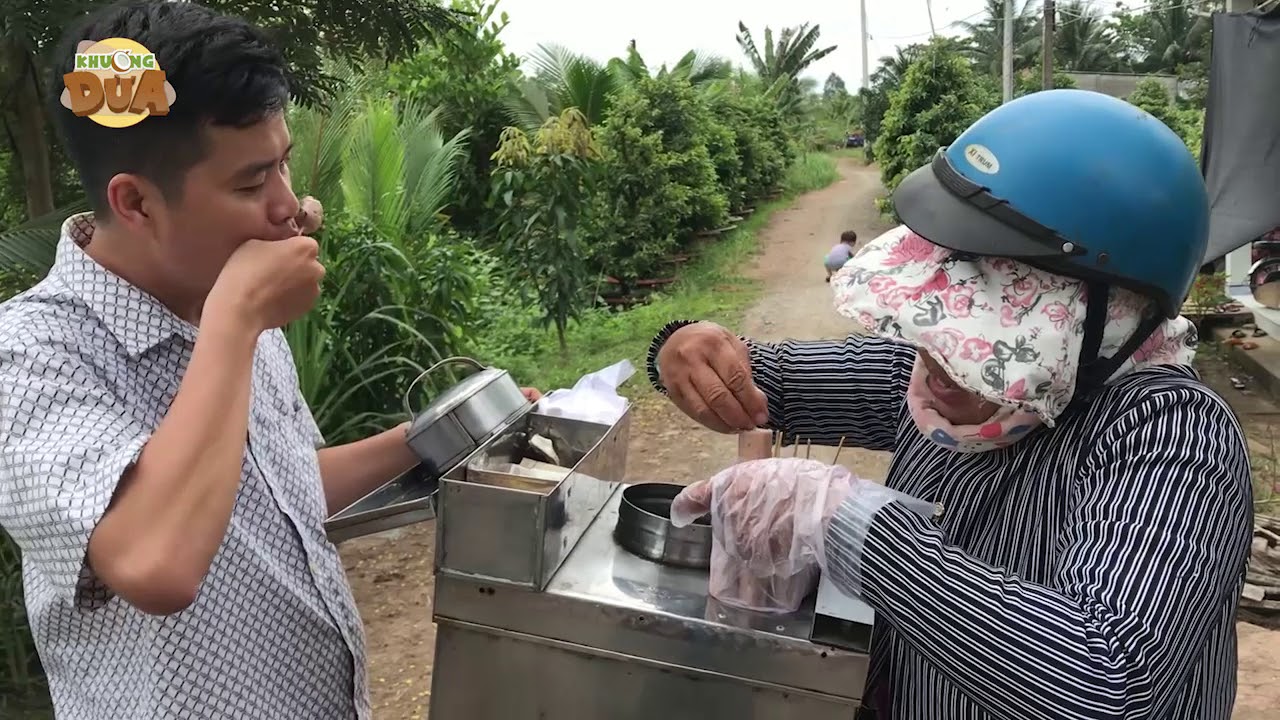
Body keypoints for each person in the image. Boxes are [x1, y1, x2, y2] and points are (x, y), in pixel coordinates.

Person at [0, 2, 540, 718]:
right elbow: (155, 560)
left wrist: (436, 438)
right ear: (134, 203)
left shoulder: (226, 299)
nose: (292, 207)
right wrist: (236, 321)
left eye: (283, 165)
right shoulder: (32, 357)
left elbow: (280, 488)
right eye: (251, 184)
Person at [650, 89, 1253, 719]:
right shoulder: (925, 383)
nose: (937, 359)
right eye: (938, 325)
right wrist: (683, 347)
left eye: (985, 342)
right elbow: (757, 377)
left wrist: (852, 525)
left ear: (1104, 329)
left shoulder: (1173, 433)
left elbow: (1106, 682)